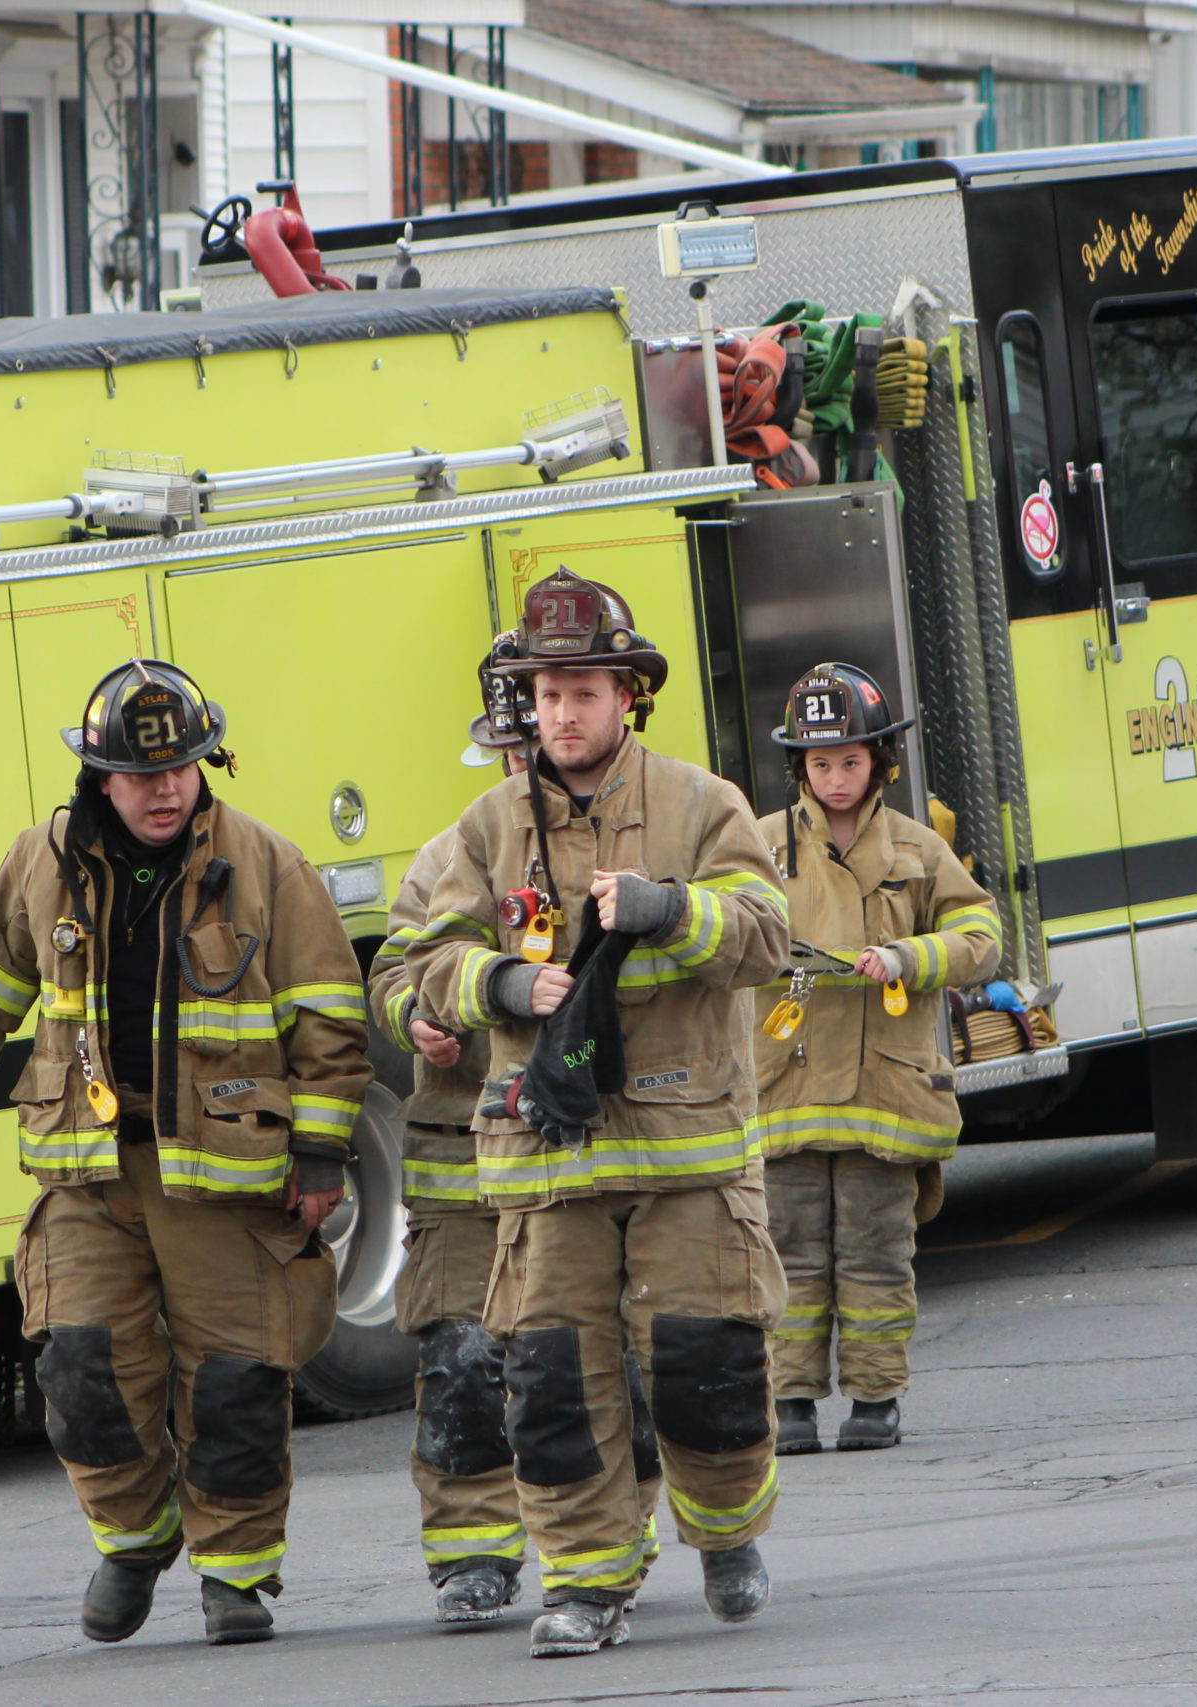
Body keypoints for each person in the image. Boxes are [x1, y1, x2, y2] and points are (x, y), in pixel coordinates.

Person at [0, 659, 368, 1648]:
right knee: (81, 1366)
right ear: (96, 778)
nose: (167, 789)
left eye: (185, 768)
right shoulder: (40, 862)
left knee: (234, 1386)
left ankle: (235, 1577)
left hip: (226, 1178)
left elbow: (329, 1020)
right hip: (86, 1170)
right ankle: (136, 1536)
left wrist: (321, 1156)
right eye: (142, 774)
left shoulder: (269, 866)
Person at [406, 567, 790, 1659]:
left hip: (687, 1151)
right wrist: (497, 986)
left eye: (582, 691)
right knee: (553, 1387)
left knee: (706, 1368)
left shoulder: (701, 804)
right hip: (545, 1160)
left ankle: (724, 1535)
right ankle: (585, 1580)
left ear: (630, 694)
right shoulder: (486, 830)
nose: (561, 714)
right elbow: (427, 953)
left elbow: (768, 935)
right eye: (544, 694)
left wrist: (675, 911)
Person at [366, 637, 663, 1627]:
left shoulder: (631, 843)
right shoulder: (451, 854)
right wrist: (413, 1015)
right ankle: (471, 1556)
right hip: (463, 1157)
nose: (519, 763)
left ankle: (617, 1534)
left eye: (525, 742)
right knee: (460, 1361)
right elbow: (396, 972)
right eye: (507, 743)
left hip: (581, 1154)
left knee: (598, 1360)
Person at [751, 663, 1001, 1455]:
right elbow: (719, 927)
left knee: (874, 1251)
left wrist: (909, 957)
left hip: (884, 1096)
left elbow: (981, 936)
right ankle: (790, 1401)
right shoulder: (759, 846)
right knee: (787, 1252)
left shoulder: (921, 850)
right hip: (785, 1096)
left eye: (849, 761)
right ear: (799, 767)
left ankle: (875, 1394)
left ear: (880, 763)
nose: (834, 778)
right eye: (819, 764)